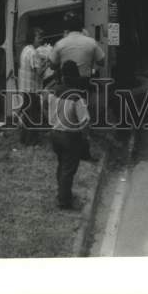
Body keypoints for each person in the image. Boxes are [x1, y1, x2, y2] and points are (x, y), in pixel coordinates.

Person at [48, 60, 91, 211]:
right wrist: (85, 137)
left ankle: (61, 193)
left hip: (54, 134)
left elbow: (46, 111)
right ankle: (64, 201)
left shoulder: (53, 91)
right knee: (68, 170)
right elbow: (84, 120)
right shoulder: (77, 96)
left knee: (62, 165)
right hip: (70, 137)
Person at [50, 12, 105, 92]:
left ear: (67, 29)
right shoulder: (91, 42)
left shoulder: (60, 44)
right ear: (81, 28)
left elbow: (52, 66)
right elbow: (102, 62)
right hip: (85, 85)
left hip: (67, 86)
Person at [18, 27, 48, 145]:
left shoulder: (25, 50)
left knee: (26, 115)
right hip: (32, 89)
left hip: (24, 88)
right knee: (34, 116)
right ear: (33, 38)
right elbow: (39, 72)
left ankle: (24, 139)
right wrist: (47, 63)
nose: (41, 39)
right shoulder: (33, 53)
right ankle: (32, 141)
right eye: (39, 37)